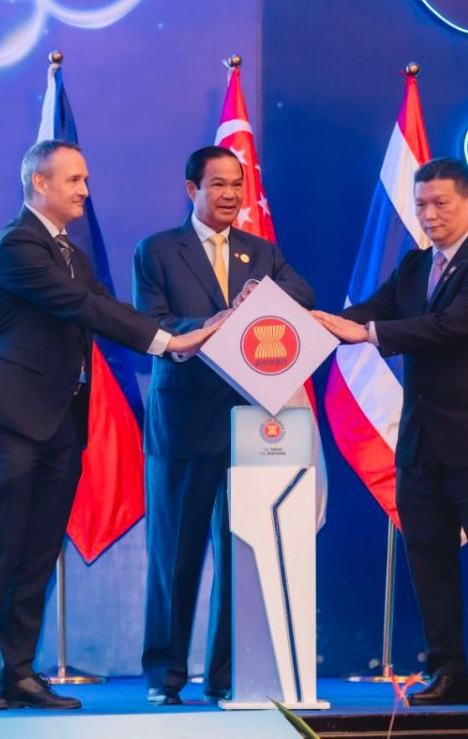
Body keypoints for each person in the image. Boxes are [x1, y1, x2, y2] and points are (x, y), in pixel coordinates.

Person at [0, 140, 215, 711]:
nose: (84, 191)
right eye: (74, 180)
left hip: (60, 424)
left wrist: (183, 335)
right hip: (8, 421)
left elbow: (111, 306)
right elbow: (83, 307)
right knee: (1, 547)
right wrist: (169, 343)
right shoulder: (18, 245)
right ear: (39, 183)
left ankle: (18, 673)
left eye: (86, 179)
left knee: (39, 552)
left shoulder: (72, 253)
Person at [313, 158, 468, 708]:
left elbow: (446, 328)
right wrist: (312, 322)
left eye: (440, 203)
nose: (429, 214)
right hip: (420, 443)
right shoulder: (415, 265)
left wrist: (367, 333)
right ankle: (448, 673)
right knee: (429, 560)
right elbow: (368, 310)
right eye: (421, 205)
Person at [132, 146, 314, 705]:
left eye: (237, 184)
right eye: (218, 185)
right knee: (176, 556)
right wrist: (214, 322)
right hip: (184, 423)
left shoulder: (261, 252)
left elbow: (303, 295)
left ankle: (228, 675)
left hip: (251, 425)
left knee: (244, 555)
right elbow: (154, 324)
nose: (231, 194)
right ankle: (165, 677)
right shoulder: (158, 250)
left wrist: (266, 298)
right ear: (193, 190)